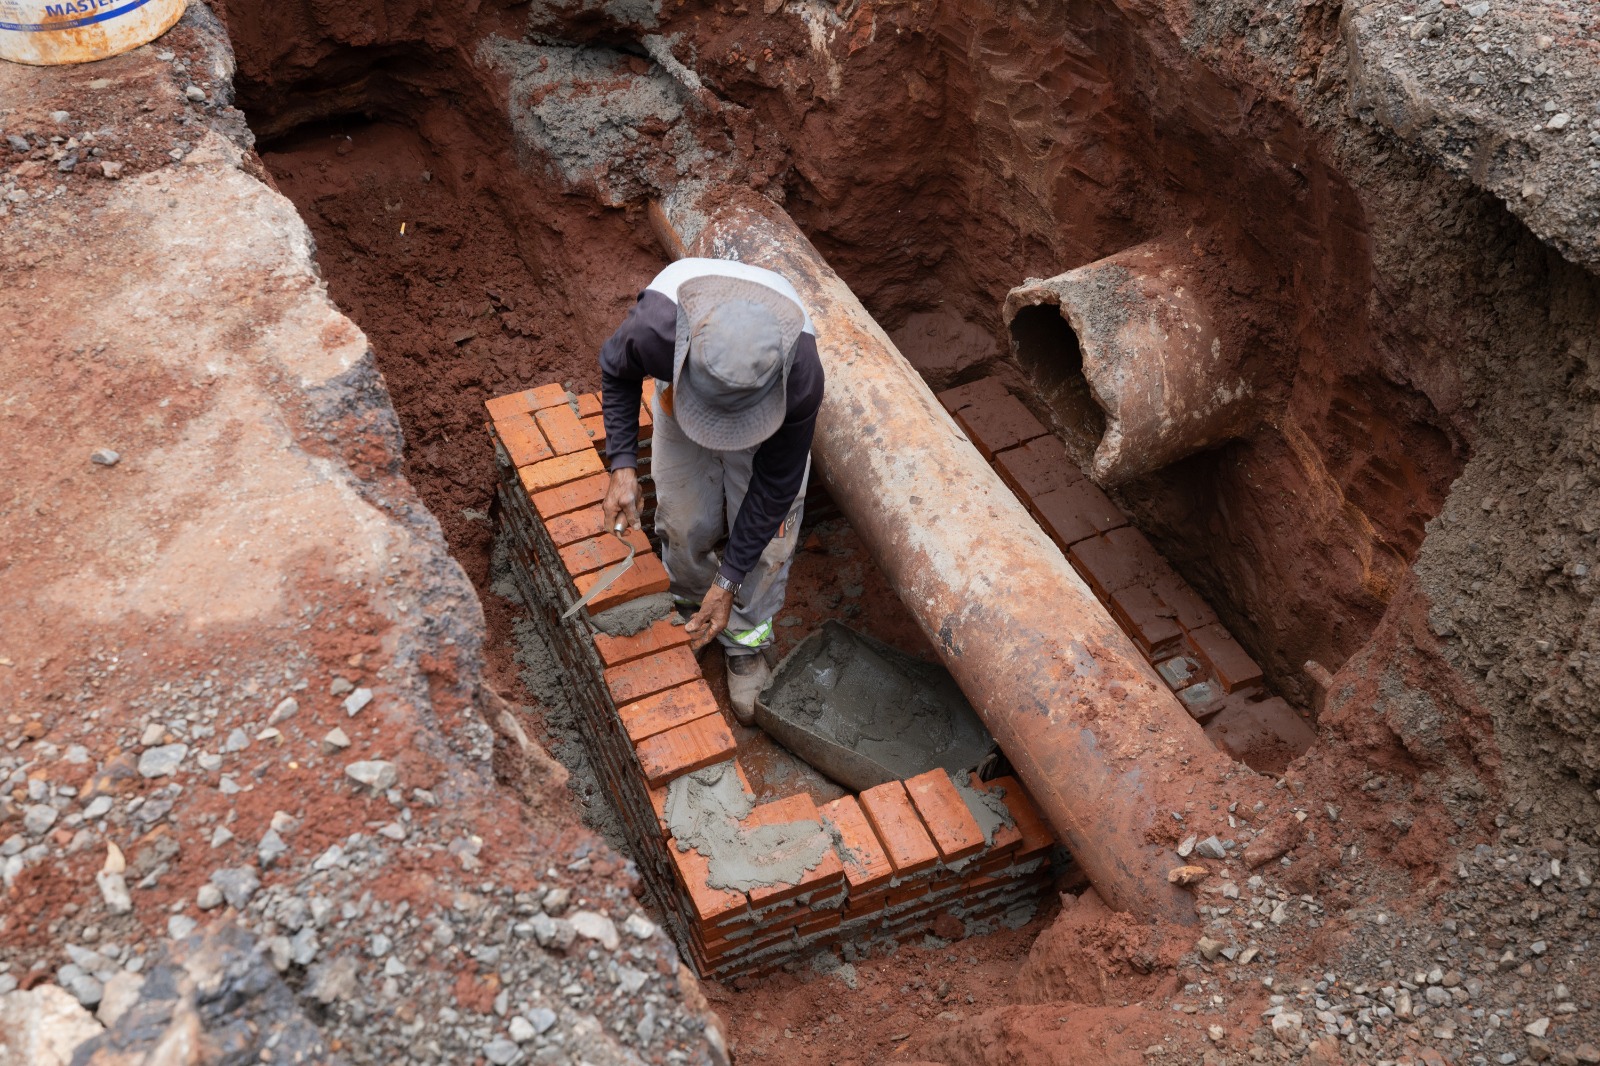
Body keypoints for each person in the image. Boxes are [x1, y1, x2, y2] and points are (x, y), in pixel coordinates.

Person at [597, 258, 823, 723]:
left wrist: (730, 580)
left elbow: (774, 487)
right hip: (682, 394)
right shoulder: (656, 330)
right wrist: (621, 465)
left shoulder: (799, 376)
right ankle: (690, 603)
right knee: (682, 517)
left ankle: (744, 637)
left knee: (770, 543)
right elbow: (617, 371)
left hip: (767, 414)